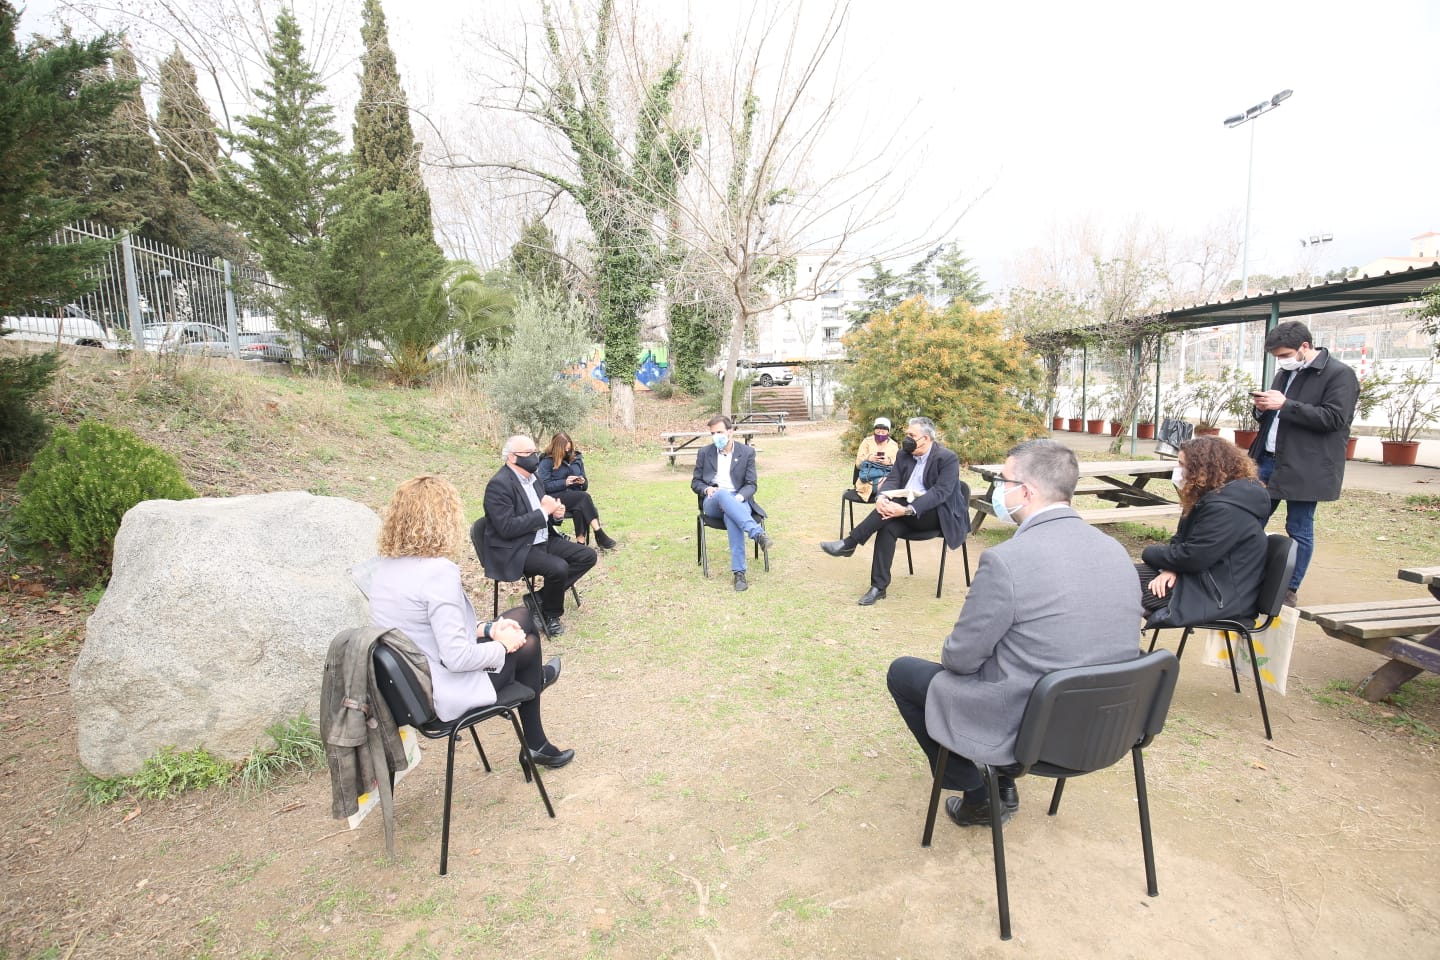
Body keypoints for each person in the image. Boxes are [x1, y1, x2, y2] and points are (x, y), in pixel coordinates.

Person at [886, 440, 1142, 828]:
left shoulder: (1007, 560)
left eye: (1002, 481)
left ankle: (978, 793)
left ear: (1026, 491)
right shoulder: (1116, 551)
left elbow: (959, 658)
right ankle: (999, 780)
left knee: (904, 673)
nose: (997, 490)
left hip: (1031, 723)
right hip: (1108, 724)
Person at [366, 475, 574, 769]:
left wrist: (489, 629)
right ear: (445, 519)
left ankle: (534, 690)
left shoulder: (385, 569)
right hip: (443, 690)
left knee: (522, 617)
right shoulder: (437, 572)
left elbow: (424, 630)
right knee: (526, 645)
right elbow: (457, 657)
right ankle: (535, 738)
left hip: (412, 687)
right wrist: (502, 646)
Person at [1247, 321, 1359, 606]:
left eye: (1285, 354)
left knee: (1299, 526)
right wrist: (1262, 408)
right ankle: (1246, 576)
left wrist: (1285, 405)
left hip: (1307, 464)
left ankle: (1288, 588)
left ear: (1305, 347)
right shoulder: (1285, 373)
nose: (1281, 361)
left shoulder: (1339, 374)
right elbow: (1273, 414)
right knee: (1250, 519)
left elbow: (1334, 419)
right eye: (1277, 357)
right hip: (1267, 459)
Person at [819, 416, 970, 606]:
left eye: (911, 435)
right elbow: (893, 479)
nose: (907, 438)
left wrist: (907, 509)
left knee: (893, 506)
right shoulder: (904, 454)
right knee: (887, 527)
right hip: (902, 509)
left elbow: (941, 493)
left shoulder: (947, 458)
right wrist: (881, 497)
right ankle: (878, 587)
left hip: (935, 515)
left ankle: (850, 543)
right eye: (907, 434)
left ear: (926, 438)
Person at [1136, 437, 1270, 626]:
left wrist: (1149, 552)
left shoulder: (1227, 509)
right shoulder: (1210, 497)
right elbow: (1182, 541)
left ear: (1202, 470)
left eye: (1182, 465)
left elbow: (1193, 557)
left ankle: (1115, 650)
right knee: (1118, 576)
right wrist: (1171, 567)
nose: (1178, 471)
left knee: (1118, 585)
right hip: (1200, 579)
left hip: (1217, 595)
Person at [481, 435, 597, 636]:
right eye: (528, 453)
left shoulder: (533, 479)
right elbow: (506, 528)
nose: (534, 457)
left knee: (587, 556)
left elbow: (544, 511)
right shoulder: (498, 485)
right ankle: (551, 614)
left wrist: (555, 514)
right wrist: (544, 512)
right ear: (511, 458)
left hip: (543, 538)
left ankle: (539, 598)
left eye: (534, 452)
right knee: (558, 568)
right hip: (517, 547)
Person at [691, 414, 773, 592]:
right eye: (712, 433)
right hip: (713, 500)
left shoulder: (747, 452)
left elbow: (751, 484)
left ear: (730, 432)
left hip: (738, 499)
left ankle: (739, 574)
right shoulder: (704, 453)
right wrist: (707, 489)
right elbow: (695, 482)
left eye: (719, 432)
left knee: (732, 515)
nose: (715, 437)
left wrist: (738, 498)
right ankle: (757, 533)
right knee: (721, 494)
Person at [536, 432, 617, 550]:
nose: (568, 451)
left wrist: (582, 482)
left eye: (570, 448)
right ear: (558, 448)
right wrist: (565, 482)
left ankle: (580, 544)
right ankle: (599, 533)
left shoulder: (577, 458)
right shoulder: (547, 461)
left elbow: (585, 485)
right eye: (565, 449)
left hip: (574, 496)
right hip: (555, 498)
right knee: (583, 498)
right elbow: (543, 485)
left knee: (580, 505)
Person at [853, 416, 900, 502]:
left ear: (888, 432)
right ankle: (883, 506)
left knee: (890, 483)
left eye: (883, 432)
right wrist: (869, 458)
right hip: (867, 480)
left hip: (886, 476)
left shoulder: (893, 445)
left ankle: (884, 507)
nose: (880, 434)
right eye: (878, 431)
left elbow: (898, 466)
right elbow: (858, 464)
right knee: (888, 487)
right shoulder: (867, 442)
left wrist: (889, 461)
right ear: (874, 430)